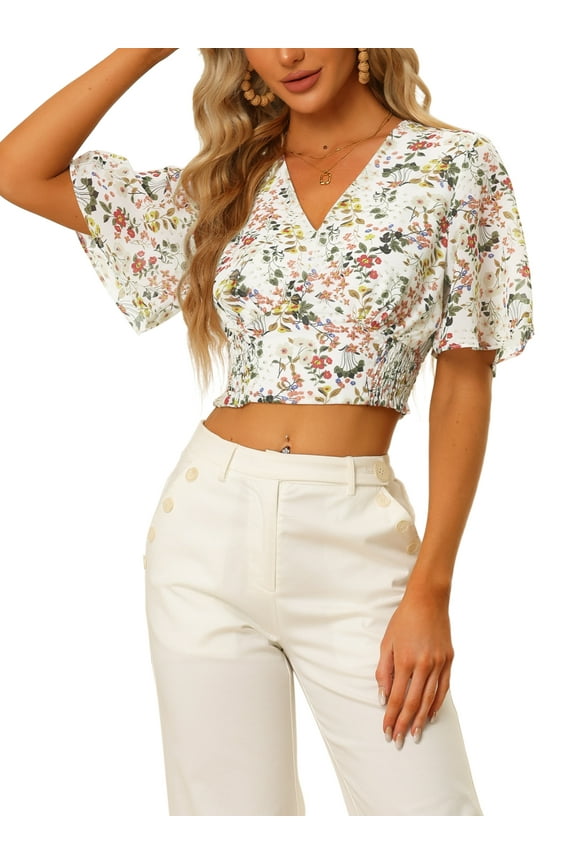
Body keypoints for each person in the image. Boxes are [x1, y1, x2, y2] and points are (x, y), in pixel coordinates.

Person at [0, 48, 533, 816]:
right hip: (206, 534)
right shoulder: (231, 180)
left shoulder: (453, 166)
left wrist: (431, 588)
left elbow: (465, 378)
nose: (288, 51)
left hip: (354, 537)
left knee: (430, 817)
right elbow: (19, 170)